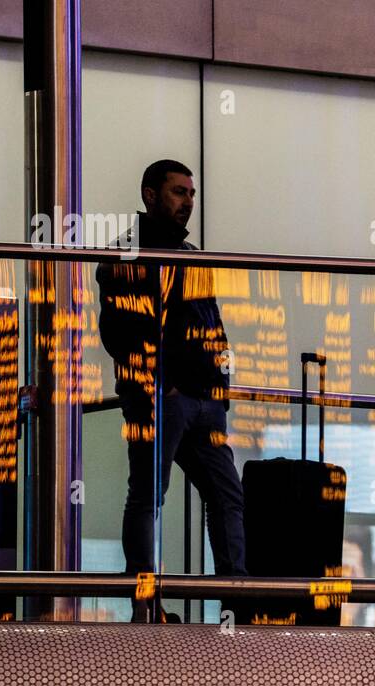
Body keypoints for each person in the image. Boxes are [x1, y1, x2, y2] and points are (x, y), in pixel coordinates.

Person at [95, 159, 246, 623]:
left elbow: (211, 324)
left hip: (201, 401)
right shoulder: (126, 253)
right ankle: (147, 605)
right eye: (179, 192)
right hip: (162, 398)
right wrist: (165, 382)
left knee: (226, 495)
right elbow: (118, 332)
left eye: (191, 194)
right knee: (148, 495)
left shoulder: (191, 253)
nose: (188, 202)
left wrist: (219, 388)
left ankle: (237, 602)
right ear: (150, 195)